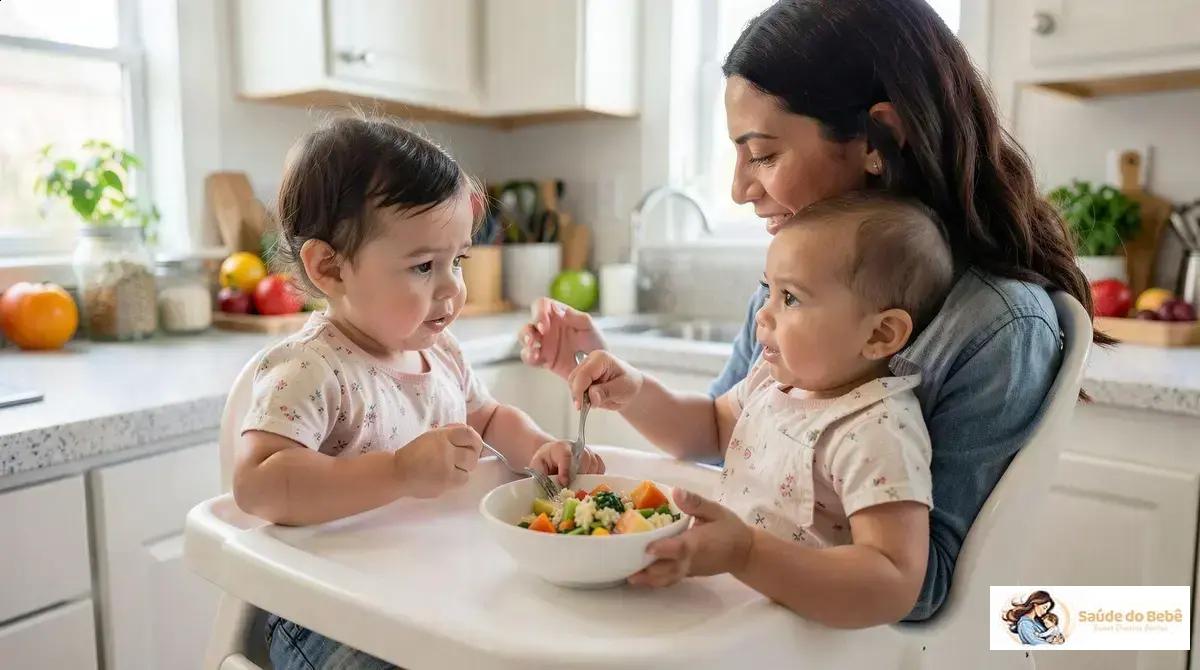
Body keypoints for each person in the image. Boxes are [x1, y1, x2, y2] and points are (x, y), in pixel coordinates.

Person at [519, 0, 1095, 621]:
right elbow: (724, 440)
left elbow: (923, 591)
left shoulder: (999, 328)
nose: (740, 188)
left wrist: (746, 554)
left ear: (879, 139)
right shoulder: (788, 285)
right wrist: (625, 385)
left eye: (763, 154)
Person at [233, 115, 602, 670]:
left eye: (458, 260)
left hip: (427, 591)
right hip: (327, 611)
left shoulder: (442, 352)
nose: (454, 287)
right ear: (330, 268)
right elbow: (258, 484)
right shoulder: (311, 369)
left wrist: (539, 449)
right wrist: (398, 472)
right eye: (424, 265)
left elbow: (490, 416)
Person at [569, 193, 953, 626]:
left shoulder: (877, 429)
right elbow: (709, 428)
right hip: (729, 618)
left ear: (881, 333)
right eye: (768, 290)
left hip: (798, 642)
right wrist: (636, 392)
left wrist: (747, 552)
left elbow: (893, 583)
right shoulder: (773, 382)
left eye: (790, 298)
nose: (762, 316)